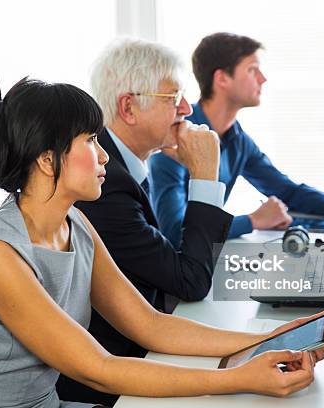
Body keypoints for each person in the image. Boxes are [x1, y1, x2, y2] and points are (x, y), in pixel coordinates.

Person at [0, 77, 324, 408]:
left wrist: (265, 340)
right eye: (90, 140)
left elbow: (150, 325)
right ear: (46, 159)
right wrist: (240, 378)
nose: (105, 155)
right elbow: (99, 370)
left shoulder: (76, 224)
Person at [56, 39, 234, 405]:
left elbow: (166, 256)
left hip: (139, 346)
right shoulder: (104, 184)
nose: (187, 108)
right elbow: (191, 280)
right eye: (174, 97)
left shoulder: (127, 166)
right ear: (129, 107)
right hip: (108, 377)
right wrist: (205, 175)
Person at [149, 32, 324, 247]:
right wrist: (252, 221)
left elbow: (287, 191)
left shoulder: (237, 139)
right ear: (222, 79)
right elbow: (174, 233)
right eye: (252, 69)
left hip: (206, 260)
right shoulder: (174, 138)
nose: (262, 78)